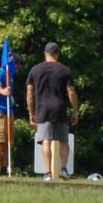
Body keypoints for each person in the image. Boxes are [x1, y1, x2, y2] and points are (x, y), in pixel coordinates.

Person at [25, 42, 78, 180]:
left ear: (45, 54)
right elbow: (71, 92)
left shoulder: (35, 70)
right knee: (63, 141)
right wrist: (75, 111)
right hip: (60, 107)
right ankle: (64, 170)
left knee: (46, 141)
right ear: (58, 54)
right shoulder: (65, 70)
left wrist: (31, 113)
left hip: (42, 109)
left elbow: (29, 93)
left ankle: (48, 173)